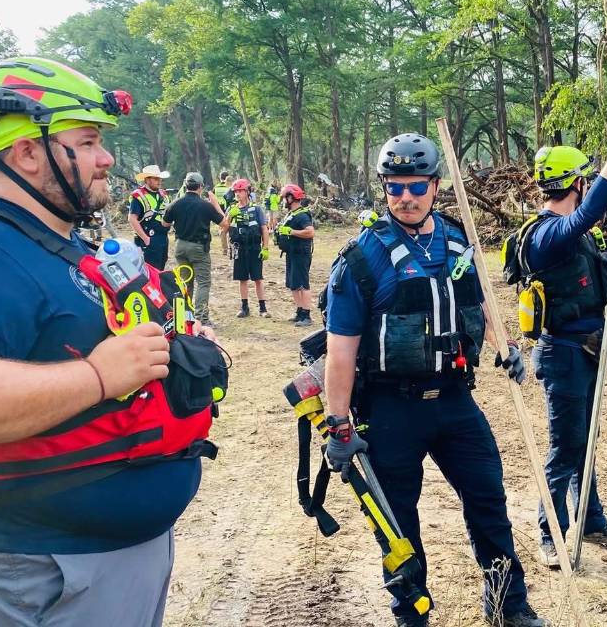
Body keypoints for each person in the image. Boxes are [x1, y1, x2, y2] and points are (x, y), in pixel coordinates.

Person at [0, 56, 221, 626]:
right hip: (43, 568)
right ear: (28, 152)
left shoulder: (54, 242)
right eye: (87, 141)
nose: (107, 157)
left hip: (99, 558)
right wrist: (99, 375)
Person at [321, 133, 546, 627]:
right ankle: (412, 612)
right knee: (398, 522)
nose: (406, 197)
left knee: (489, 500)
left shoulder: (457, 240)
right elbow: (341, 351)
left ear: (435, 186)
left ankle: (508, 603)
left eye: (416, 187)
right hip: (391, 409)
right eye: (395, 186)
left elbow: (478, 301)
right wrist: (338, 425)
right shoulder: (360, 259)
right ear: (383, 187)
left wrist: (505, 347)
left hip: (454, 401)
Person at [508, 112, 607, 568]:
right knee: (566, 447)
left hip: (586, 351)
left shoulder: (571, 237)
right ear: (576, 183)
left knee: (584, 440)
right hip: (562, 355)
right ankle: (551, 532)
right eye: (584, 180)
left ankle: (590, 520)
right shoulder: (550, 236)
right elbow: (590, 212)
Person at [164, 171, 225, 327]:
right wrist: (216, 204)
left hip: (180, 246)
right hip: (198, 248)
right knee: (203, 283)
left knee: (185, 282)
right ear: (200, 187)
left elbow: (165, 224)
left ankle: (185, 316)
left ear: (186, 185)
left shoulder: (176, 203)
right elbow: (225, 224)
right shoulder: (205, 205)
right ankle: (201, 318)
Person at [222, 179, 270, 318]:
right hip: (239, 248)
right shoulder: (232, 209)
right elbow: (223, 229)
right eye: (236, 191)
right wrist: (230, 216)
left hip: (255, 247)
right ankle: (244, 308)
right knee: (242, 279)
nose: (237, 194)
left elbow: (264, 229)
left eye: (240, 191)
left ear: (247, 191)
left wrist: (265, 247)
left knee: (258, 278)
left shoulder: (257, 209)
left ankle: (263, 308)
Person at [276, 183, 315, 327]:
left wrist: (291, 232)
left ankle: (306, 314)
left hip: (301, 254)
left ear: (291, 198)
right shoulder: (291, 214)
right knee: (293, 284)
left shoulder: (302, 215)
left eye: (285, 197)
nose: (283, 201)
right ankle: (299, 312)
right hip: (291, 253)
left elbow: (310, 232)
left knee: (302, 284)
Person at [128, 164, 170, 269]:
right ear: (147, 180)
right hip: (147, 238)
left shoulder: (163, 194)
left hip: (163, 238)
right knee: (147, 271)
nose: (159, 181)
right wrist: (146, 239)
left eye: (160, 178)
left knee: (160, 269)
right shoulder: (138, 196)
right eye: (156, 178)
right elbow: (132, 219)